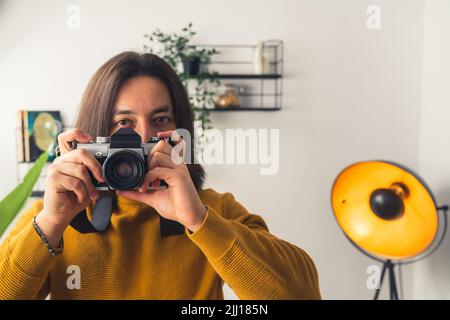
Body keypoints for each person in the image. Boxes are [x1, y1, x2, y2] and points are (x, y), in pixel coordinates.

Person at [0, 52, 321, 299]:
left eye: (160, 119)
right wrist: (50, 224)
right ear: (95, 134)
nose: (141, 138)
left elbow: (302, 293)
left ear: (180, 133)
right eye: (123, 123)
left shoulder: (212, 210)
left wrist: (199, 221)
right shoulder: (61, 215)